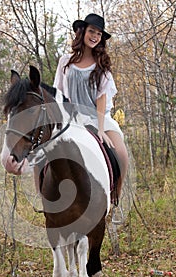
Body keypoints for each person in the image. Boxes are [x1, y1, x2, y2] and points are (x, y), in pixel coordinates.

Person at [53, 13, 129, 218]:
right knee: (46, 152)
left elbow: (101, 100)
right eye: (91, 31)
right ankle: (47, 197)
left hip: (98, 117)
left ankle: (115, 200)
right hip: (72, 118)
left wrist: (102, 130)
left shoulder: (101, 64)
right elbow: (59, 93)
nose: (95, 36)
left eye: (99, 34)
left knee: (121, 154)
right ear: (83, 32)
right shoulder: (65, 62)